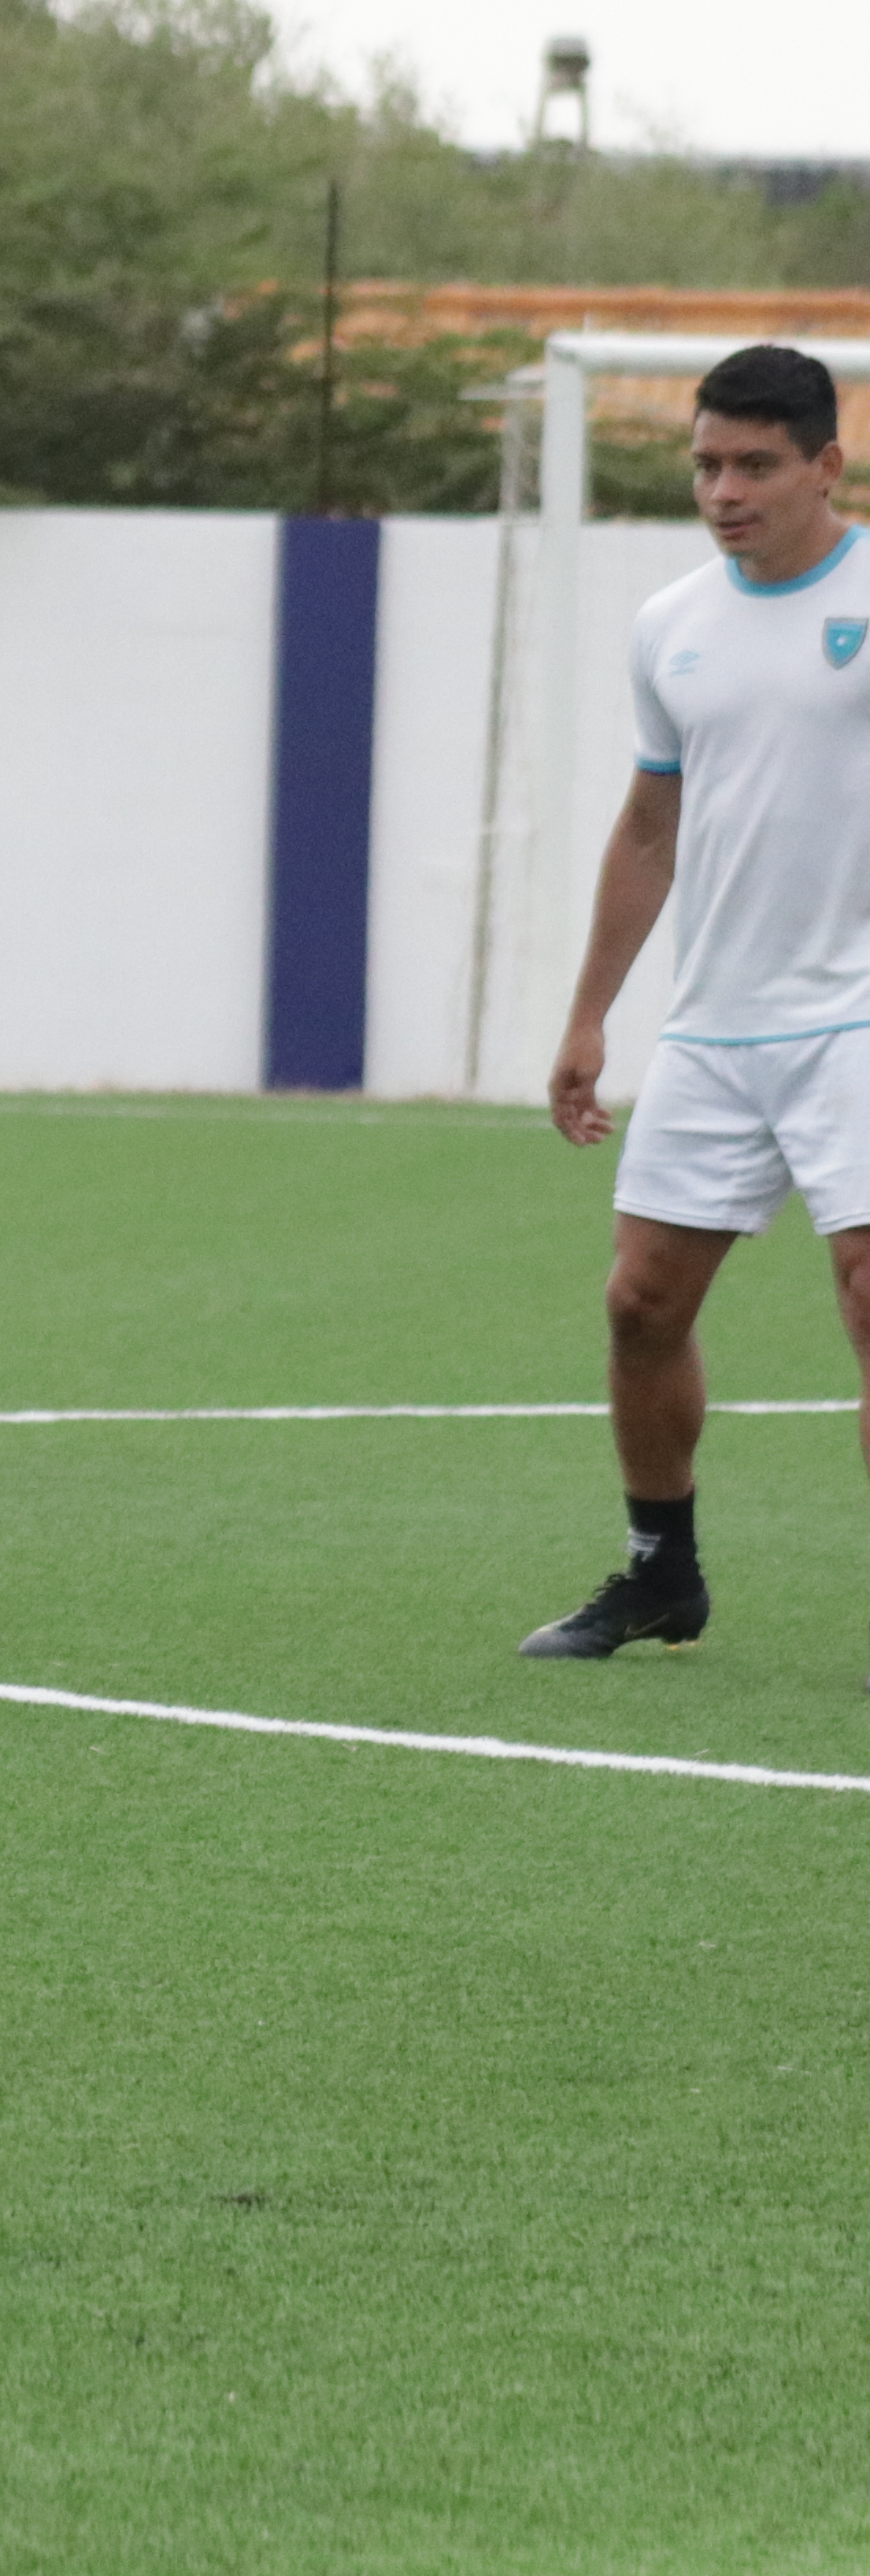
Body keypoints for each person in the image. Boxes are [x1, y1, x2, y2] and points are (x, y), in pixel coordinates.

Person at [524, 344, 870, 1667]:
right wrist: (589, 1015)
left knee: (867, 1297)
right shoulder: (670, 623)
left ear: (825, 466)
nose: (724, 491)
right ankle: (663, 1574)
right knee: (639, 1305)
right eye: (705, 465)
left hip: (858, 1020)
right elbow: (651, 824)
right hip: (719, 1029)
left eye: (755, 466)